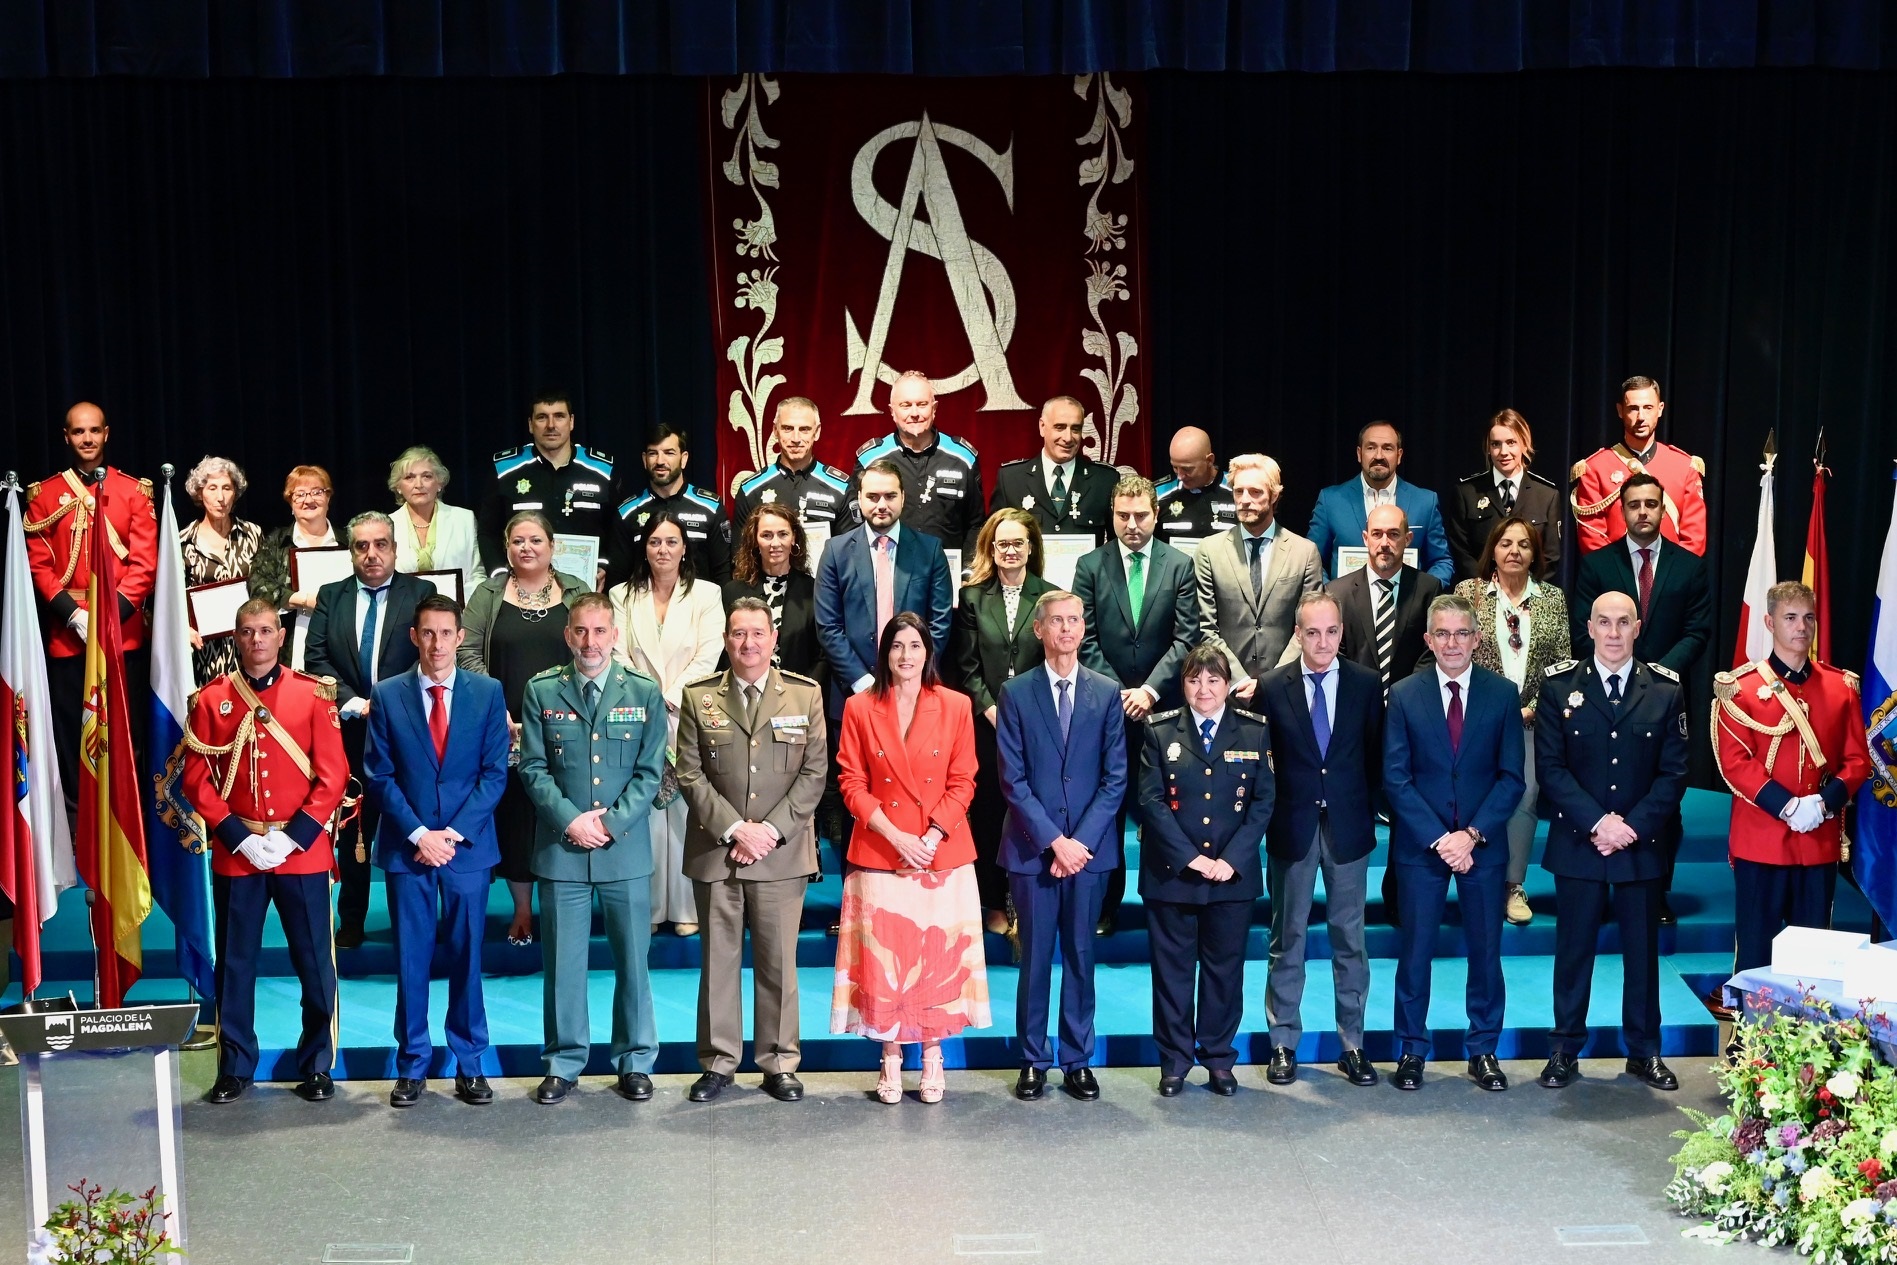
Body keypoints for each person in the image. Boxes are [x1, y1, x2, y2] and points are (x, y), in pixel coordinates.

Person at [180, 599, 348, 1105]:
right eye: (248, 631)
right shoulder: (211, 699)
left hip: (301, 851)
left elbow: (334, 774)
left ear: (281, 635)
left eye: (266, 630)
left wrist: (293, 836)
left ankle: (316, 1065)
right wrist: (238, 836)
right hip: (240, 853)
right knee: (235, 965)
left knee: (315, 963)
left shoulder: (312, 694)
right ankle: (235, 1067)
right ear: (235, 637)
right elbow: (196, 779)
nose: (257, 639)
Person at [1534, 592, 1690, 1091]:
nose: (1614, 632)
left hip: (1639, 844)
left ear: (1638, 628)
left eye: (1624, 622)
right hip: (1580, 842)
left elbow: (1674, 773)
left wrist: (1630, 828)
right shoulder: (1559, 687)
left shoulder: (1664, 690)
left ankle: (1644, 1052)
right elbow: (1551, 770)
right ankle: (1564, 1049)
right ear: (1590, 628)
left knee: (1642, 955)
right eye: (1605, 622)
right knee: (1573, 952)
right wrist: (1599, 823)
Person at [517, 594, 669, 1104]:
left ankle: (635, 1061)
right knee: (563, 966)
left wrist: (609, 823)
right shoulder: (542, 690)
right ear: (568, 635)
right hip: (563, 850)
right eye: (581, 631)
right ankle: (563, 1063)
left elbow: (650, 772)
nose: (590, 642)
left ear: (614, 635)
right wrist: (570, 821)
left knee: (633, 964)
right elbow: (532, 767)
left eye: (600, 631)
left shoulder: (643, 691)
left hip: (623, 850)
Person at [674, 599, 827, 1103]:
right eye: (738, 634)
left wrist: (770, 832)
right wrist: (736, 829)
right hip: (718, 853)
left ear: (774, 638)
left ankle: (779, 1062)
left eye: (758, 633)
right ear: (726, 640)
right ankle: (718, 1063)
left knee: (779, 964)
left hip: (781, 855)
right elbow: (689, 772)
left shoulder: (804, 695)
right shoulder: (699, 696)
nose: (748, 643)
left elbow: (814, 773)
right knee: (718, 963)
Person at [833, 612, 988, 1104]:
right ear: (885, 654)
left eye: (915, 646)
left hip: (940, 852)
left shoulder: (956, 705)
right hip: (882, 849)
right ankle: (890, 1056)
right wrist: (896, 836)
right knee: (887, 963)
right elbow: (850, 781)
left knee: (935, 960)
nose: (906, 655)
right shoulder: (859, 707)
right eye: (897, 646)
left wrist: (931, 835)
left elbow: (964, 779)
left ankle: (934, 1055)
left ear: (928, 652)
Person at [364, 595, 512, 1108]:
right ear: (414, 637)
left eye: (446, 633)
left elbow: (495, 774)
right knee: (411, 959)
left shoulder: (488, 693)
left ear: (460, 637)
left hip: (466, 851)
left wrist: (450, 835)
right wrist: (418, 834)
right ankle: (411, 1066)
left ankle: (470, 1064)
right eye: (428, 633)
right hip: (409, 851)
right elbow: (378, 775)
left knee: (468, 958)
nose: (437, 644)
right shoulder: (387, 695)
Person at [1384, 594, 1526, 1092]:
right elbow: (1395, 777)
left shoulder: (1502, 694)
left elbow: (1512, 778)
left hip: (1481, 846)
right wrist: (1440, 838)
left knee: (1485, 953)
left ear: (1477, 639)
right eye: (1442, 634)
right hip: (1421, 848)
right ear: (1428, 640)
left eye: (1461, 633)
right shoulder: (1404, 694)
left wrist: (1470, 835)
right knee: (1415, 953)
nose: (1452, 643)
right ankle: (1411, 1050)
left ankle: (1483, 1049)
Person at [996, 592, 1127, 1102]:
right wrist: (1055, 842)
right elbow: (1012, 780)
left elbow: (1115, 779)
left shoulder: (1107, 692)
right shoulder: (1015, 692)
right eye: (1057, 621)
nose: (1066, 629)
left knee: (1080, 956)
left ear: (1083, 628)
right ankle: (1033, 1059)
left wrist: (1079, 844)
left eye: (1074, 620)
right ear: (1039, 630)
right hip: (1034, 852)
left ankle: (1077, 1060)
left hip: (1089, 855)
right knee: (1034, 959)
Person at [1570, 471, 1713, 922]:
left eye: (1651, 503)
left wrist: (1653, 675)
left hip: (1663, 700)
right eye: (1634, 505)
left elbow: (1697, 631)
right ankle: (1596, 887)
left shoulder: (1689, 566)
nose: (1643, 512)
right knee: (1603, 788)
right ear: (1623, 511)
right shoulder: (1597, 564)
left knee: (1661, 797)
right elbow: (1583, 629)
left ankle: (1657, 892)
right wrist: (1623, 670)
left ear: (1663, 508)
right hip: (1604, 697)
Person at [1255, 594, 1382, 1089]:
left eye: (1331, 631)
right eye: (1312, 632)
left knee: (1350, 940)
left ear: (1341, 633)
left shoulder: (1366, 684)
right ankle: (1283, 1043)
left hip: (1349, 830)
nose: (1323, 641)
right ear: (1298, 634)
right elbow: (1264, 763)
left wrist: (1363, 809)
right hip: (1293, 829)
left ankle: (1353, 1045)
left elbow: (1374, 757)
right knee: (1287, 939)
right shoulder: (1272, 687)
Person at [1715, 581, 1872, 973]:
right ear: (1769, 622)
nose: (1802, 627)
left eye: (1808, 617)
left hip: (1818, 839)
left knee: (1813, 961)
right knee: (1755, 956)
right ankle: (1750, 1018)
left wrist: (1823, 804)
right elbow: (1735, 762)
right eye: (1790, 617)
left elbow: (1857, 760)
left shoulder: (1840, 687)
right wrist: (1787, 806)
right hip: (1761, 841)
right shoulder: (1741, 689)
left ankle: (1807, 1019)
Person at [1137, 645, 1272, 1096]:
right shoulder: (1159, 731)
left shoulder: (1253, 731)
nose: (1204, 689)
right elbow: (1151, 801)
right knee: (1172, 974)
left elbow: (1263, 802)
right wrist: (1191, 858)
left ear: (1228, 685)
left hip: (1232, 876)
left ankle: (1218, 1058)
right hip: (1173, 874)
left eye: (1214, 680)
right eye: (1194, 679)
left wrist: (1230, 860)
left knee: (1224, 973)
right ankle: (1174, 1062)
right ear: (1183, 684)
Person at [1073, 474, 1200, 934]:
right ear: (1111, 515)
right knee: (1106, 810)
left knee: (1165, 809)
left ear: (1156, 514)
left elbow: (1187, 637)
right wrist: (1119, 692)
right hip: (1107, 709)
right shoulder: (1090, 565)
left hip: (1164, 710)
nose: (1131, 524)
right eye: (1123, 515)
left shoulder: (1179, 564)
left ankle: (1164, 904)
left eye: (1140, 515)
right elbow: (1083, 637)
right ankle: (1106, 905)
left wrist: (1148, 691)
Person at [459, 511, 588, 946]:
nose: (526, 548)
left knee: (560, 812)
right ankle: (521, 910)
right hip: (506, 726)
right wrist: (495, 706)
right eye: (517, 541)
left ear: (552, 546)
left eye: (535, 540)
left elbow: (592, 648)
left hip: (567, 725)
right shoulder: (488, 594)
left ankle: (562, 910)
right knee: (516, 818)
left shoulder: (576, 591)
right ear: (507, 548)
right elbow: (466, 651)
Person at [303, 511, 431, 949]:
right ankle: (352, 921)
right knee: (353, 830)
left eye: (380, 544)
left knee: (409, 824)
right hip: (351, 733)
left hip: (406, 733)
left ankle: (410, 922)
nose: (371, 554)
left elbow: (430, 654)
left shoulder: (421, 593)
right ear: (351, 551)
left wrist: (390, 702)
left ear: (394, 548)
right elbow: (316, 659)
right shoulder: (331, 596)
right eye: (362, 546)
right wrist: (357, 704)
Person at [25, 402, 158, 800]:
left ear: (106, 433)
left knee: (125, 730)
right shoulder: (45, 494)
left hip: (123, 635)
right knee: (73, 734)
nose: (87, 439)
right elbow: (39, 566)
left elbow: (144, 565)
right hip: (70, 636)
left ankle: (127, 816)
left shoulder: (133, 491)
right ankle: (77, 816)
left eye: (94, 431)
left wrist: (109, 619)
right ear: (67, 437)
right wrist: (75, 618)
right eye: (79, 432)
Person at [607, 510, 726, 936]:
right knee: (645, 812)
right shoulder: (621, 595)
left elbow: (709, 655)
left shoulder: (707, 594)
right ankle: (651, 909)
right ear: (644, 547)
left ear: (684, 548)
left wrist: (670, 698)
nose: (663, 549)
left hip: (688, 713)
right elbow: (617, 654)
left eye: (671, 541)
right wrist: (647, 702)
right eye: (655, 542)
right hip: (635, 716)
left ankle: (687, 909)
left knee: (687, 809)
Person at [1454, 517, 1571, 927]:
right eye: (1506, 543)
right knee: (1478, 799)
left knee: (1523, 800)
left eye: (1524, 544)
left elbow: (1561, 665)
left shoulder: (1552, 599)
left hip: (1531, 723)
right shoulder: (1468, 593)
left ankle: (1513, 885)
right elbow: (1457, 655)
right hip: (1478, 721)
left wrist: (1531, 707)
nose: (1514, 551)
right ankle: (1479, 881)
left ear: (1535, 554)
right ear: (1493, 550)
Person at [952, 508, 1055, 933]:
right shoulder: (972, 598)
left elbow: (1055, 660)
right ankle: (993, 903)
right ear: (990, 549)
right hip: (986, 726)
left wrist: (1024, 717)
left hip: (1038, 726)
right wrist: (994, 711)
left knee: (1037, 809)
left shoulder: (1050, 597)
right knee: (991, 813)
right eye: (1002, 544)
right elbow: (965, 666)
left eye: (1017, 543)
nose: (1010, 551)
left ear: (1031, 548)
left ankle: (1035, 900)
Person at [814, 458, 954, 721]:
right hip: (852, 695)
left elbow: (940, 623)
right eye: (872, 496)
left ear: (903, 497)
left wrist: (909, 675)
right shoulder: (835, 551)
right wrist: (863, 683)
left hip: (916, 694)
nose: (881, 505)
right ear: (859, 498)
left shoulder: (930, 550)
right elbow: (828, 627)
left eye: (890, 496)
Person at [1194, 453, 1323, 699]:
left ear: (1274, 496)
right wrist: (1239, 680)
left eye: (1255, 492)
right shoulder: (1209, 551)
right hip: (1226, 691)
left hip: (1286, 689)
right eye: (1238, 491)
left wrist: (1271, 683)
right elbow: (1205, 627)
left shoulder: (1304, 553)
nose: (1245, 500)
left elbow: (1309, 627)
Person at [479, 389, 624, 586]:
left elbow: (617, 532)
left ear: (571, 422)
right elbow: (488, 532)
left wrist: (604, 566)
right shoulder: (505, 470)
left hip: (586, 585)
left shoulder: (602, 470)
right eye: (542, 417)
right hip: (520, 586)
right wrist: (500, 576)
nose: (551, 425)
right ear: (530, 424)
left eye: (559, 416)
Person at [1570, 375, 1708, 556]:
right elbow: (1592, 540)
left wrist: (1669, 572)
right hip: (1614, 572)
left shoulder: (1684, 467)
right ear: (1620, 411)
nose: (1641, 417)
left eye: (1648, 408)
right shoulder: (1595, 469)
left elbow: (1694, 540)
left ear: (1660, 409)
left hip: (1672, 572)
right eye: (1633, 408)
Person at [852, 369, 985, 553]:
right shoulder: (870, 459)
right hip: (886, 566)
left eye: (922, 404)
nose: (914, 413)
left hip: (948, 569)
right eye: (906, 405)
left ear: (934, 409)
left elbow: (976, 525)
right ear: (892, 411)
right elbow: (854, 521)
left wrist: (967, 568)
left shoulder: (963, 458)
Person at [1306, 421, 1455, 584]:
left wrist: (1423, 593)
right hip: (1343, 600)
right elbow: (1312, 561)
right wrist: (1331, 595)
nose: (1379, 456)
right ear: (1359, 453)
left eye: (1387, 448)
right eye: (1371, 448)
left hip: (1408, 599)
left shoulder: (1425, 502)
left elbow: (1441, 561)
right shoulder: (1331, 500)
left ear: (1399, 455)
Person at [1327, 504, 1440, 698]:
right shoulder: (1337, 593)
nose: (1385, 543)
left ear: (1408, 539)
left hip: (1411, 701)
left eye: (1393, 534)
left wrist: (1406, 697)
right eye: (1377, 534)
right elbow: (1334, 652)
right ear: (1365, 538)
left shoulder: (1428, 589)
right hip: (1355, 701)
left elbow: (1431, 649)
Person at [1447, 409, 1564, 582]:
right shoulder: (1467, 492)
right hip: (1480, 591)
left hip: (1530, 593)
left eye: (1511, 443)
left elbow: (1550, 557)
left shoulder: (1547, 495)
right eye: (1496, 444)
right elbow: (1461, 552)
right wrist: (1489, 588)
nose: (1503, 451)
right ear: (1488, 448)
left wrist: (1522, 589)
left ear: (1524, 444)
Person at [614, 422, 733, 586]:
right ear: (644, 460)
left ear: (684, 459)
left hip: (699, 601)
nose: (660, 461)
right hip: (643, 601)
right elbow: (617, 580)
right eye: (653, 453)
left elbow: (723, 575)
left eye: (669, 453)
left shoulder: (710, 508)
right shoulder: (627, 512)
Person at [178, 455, 263, 685]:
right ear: (199, 493)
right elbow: (166, 602)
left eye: (227, 488)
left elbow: (265, 587)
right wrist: (182, 628)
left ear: (235, 493)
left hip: (249, 646)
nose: (220, 497)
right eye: (212, 488)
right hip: (204, 653)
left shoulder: (252, 534)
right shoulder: (183, 542)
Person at [247, 464, 340, 671]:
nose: (309, 500)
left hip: (342, 640)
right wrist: (304, 600)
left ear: (328, 497)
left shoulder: (348, 541)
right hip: (291, 644)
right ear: (290, 502)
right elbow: (258, 587)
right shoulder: (276, 543)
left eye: (317, 492)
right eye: (300, 494)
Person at [989, 396, 1116, 541]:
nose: (1068, 438)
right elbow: (991, 539)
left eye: (1075, 429)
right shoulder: (1011, 480)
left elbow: (1118, 544)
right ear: (1042, 427)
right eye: (1060, 427)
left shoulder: (1105, 481)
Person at [723, 503, 823, 679]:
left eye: (783, 534)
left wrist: (804, 690)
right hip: (745, 688)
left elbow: (822, 655)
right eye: (766, 535)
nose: (775, 543)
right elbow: (726, 653)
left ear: (794, 538)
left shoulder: (814, 590)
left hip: (800, 689)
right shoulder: (732, 592)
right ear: (755, 540)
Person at [730, 396, 857, 535]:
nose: (796, 438)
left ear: (817, 432)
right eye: (787, 428)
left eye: (804, 429)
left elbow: (850, 547)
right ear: (775, 430)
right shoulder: (750, 490)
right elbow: (741, 548)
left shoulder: (840, 488)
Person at [388, 445, 482, 598]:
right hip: (403, 609)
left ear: (439, 483)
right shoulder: (387, 525)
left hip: (459, 608)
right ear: (398, 486)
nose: (418, 484)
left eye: (427, 476)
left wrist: (463, 607)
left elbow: (477, 574)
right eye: (409, 477)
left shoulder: (464, 519)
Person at [1151, 425, 1237, 546]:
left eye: (1187, 469)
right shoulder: (1157, 494)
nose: (1180, 476)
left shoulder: (1238, 491)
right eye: (1175, 467)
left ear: (1209, 460)